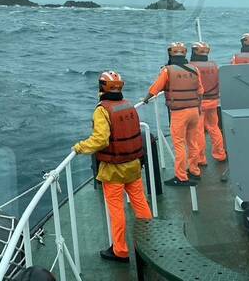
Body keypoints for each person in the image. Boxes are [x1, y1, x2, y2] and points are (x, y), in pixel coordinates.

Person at [73, 71, 152, 263]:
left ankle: (121, 250)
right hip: (133, 164)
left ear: (101, 87)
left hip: (114, 169)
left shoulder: (102, 110)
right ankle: (150, 240)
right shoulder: (129, 105)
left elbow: (100, 139)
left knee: (117, 210)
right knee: (140, 203)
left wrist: (80, 147)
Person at [143, 42, 203, 186]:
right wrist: (198, 108)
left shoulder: (167, 70)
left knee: (179, 144)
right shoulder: (194, 69)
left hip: (179, 113)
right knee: (193, 142)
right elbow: (200, 91)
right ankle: (194, 170)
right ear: (185, 53)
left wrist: (146, 99)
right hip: (194, 110)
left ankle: (181, 176)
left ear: (170, 53)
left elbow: (156, 88)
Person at [189, 42, 227, 165]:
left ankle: (201, 158)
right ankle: (220, 154)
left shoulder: (191, 66)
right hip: (213, 101)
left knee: (198, 130)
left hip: (198, 103)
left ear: (194, 51)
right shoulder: (214, 65)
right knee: (214, 127)